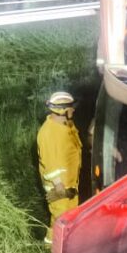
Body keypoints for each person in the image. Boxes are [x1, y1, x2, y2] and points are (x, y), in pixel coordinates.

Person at [37, 91, 82, 244]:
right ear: (62, 109)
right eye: (71, 107)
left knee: (70, 215)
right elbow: (49, 162)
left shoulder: (66, 124)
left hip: (70, 182)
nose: (74, 110)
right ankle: (51, 248)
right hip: (59, 186)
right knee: (60, 219)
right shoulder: (48, 132)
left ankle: (67, 245)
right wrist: (59, 186)